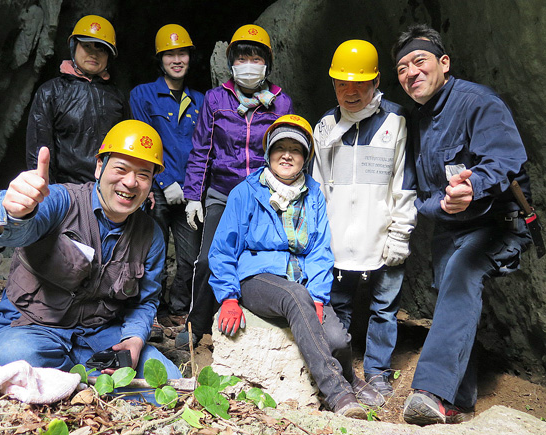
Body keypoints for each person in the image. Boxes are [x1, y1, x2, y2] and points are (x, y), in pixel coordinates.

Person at [392, 24, 532, 425]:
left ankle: (431, 392)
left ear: (443, 62)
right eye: (402, 68)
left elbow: (506, 160)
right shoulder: (416, 121)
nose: (411, 73)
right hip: (450, 226)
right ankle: (458, 401)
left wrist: (472, 190)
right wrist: (442, 204)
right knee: (452, 296)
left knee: (461, 277)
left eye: (419, 61)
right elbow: (419, 192)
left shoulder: (477, 101)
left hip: (497, 221)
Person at [209, 115, 382, 418]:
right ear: (268, 153)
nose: (287, 155)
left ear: (306, 158)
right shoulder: (246, 192)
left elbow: (320, 250)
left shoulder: (313, 194)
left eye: (296, 149)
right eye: (280, 148)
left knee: (338, 339)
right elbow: (222, 249)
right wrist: (228, 297)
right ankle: (337, 393)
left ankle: (351, 379)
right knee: (293, 296)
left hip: (301, 282)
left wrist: (316, 294)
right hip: (257, 278)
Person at [0, 120, 181, 380]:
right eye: (121, 169)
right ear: (99, 167)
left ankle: (70, 380)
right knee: (14, 354)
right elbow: (8, 233)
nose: (131, 182)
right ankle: (85, 382)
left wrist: (133, 341)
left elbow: (144, 302)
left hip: (99, 336)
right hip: (32, 328)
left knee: (167, 377)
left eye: (143, 175)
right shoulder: (60, 201)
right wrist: (15, 213)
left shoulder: (151, 235)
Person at [311, 40, 417, 399]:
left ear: (376, 82)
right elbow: (317, 186)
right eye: (342, 83)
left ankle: (377, 372)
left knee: (384, 308)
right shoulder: (325, 127)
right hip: (337, 239)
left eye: (359, 83)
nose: (350, 91)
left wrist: (401, 233)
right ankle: (338, 371)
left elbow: (404, 182)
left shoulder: (396, 120)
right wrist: (317, 236)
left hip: (383, 235)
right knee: (336, 307)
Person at [177, 24, 293, 347]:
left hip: (262, 195)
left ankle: (255, 325)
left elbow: (289, 150)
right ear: (231, 62)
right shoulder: (216, 99)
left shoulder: (281, 103)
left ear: (267, 62)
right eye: (242, 56)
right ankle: (195, 327)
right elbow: (202, 149)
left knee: (259, 259)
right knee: (208, 259)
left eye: (256, 57)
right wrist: (193, 197)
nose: (249, 63)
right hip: (223, 194)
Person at [130, 24, 204, 327]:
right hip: (156, 190)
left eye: (182, 52)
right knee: (152, 253)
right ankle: (149, 310)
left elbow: (205, 148)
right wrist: (163, 182)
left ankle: (177, 309)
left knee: (190, 258)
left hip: (190, 193)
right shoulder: (143, 95)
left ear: (190, 57)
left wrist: (194, 190)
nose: (177, 59)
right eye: (169, 53)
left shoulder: (201, 100)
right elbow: (143, 142)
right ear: (159, 59)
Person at [26, 14, 130, 184]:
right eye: (87, 46)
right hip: (65, 191)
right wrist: (46, 193)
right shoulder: (51, 92)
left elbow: (127, 147)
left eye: (101, 49)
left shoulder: (117, 97)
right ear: (74, 47)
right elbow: (39, 149)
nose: (93, 54)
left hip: (107, 191)